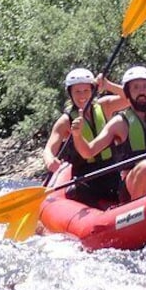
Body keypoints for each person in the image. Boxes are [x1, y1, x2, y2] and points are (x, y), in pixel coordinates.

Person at [71, 65, 146, 202]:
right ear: (128, 92)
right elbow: (88, 152)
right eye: (135, 87)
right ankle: (139, 213)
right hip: (131, 186)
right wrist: (77, 135)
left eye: (144, 87)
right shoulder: (119, 123)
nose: (141, 91)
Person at [42, 68, 129, 205]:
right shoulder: (65, 121)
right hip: (85, 177)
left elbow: (130, 98)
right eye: (77, 91)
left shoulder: (105, 106)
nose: (82, 95)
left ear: (93, 91)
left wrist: (108, 85)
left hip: (111, 170)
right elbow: (49, 149)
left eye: (86, 90)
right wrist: (50, 161)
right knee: (77, 192)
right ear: (70, 93)